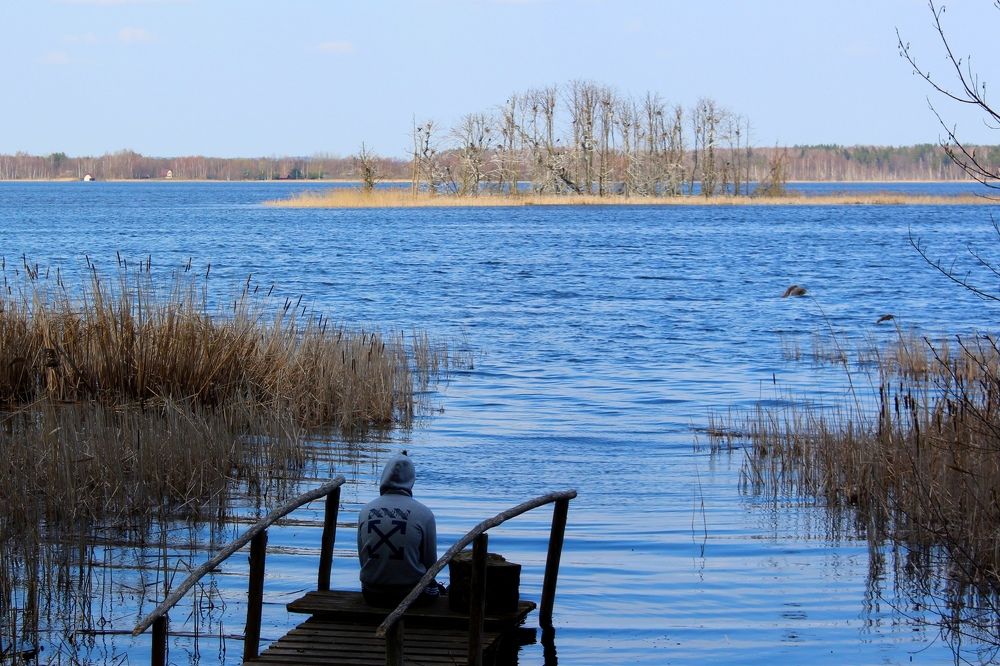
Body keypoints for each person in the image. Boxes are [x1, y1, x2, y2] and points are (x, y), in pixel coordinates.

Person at [357, 451, 441, 607]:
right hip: (411, 596)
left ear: (383, 476)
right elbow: (431, 565)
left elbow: (363, 560)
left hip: (371, 594)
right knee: (437, 589)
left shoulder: (365, 511)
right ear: (411, 479)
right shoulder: (424, 514)